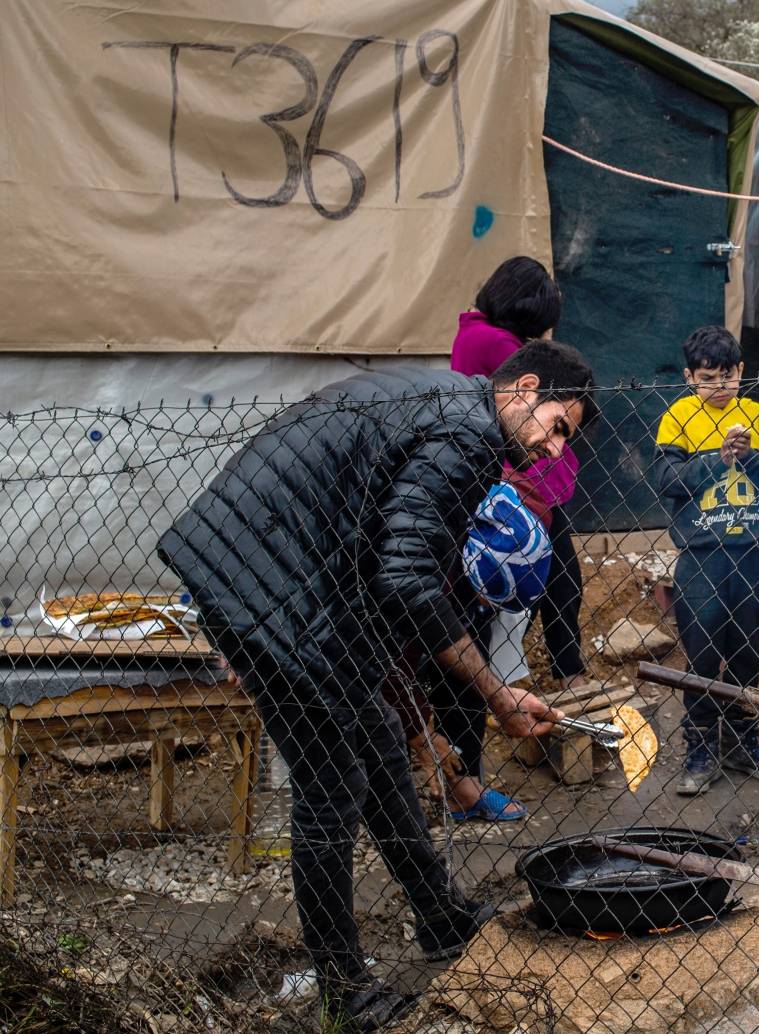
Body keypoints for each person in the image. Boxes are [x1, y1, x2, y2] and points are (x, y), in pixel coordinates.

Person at [157, 341, 596, 1032]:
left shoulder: (454, 404)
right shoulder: (469, 435)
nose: (552, 449)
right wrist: (494, 691)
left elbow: (394, 556)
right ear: (526, 388)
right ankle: (344, 987)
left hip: (293, 578)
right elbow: (408, 574)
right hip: (272, 581)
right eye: (557, 426)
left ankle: (441, 916)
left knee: (381, 738)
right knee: (331, 784)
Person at [652, 325, 759, 796]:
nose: (719, 387)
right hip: (702, 557)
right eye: (708, 378)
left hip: (753, 554)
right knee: (703, 655)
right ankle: (700, 746)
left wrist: (749, 458)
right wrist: (718, 458)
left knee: (749, 652)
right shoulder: (678, 417)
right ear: (690, 376)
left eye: (727, 377)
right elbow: (667, 478)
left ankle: (745, 741)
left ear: (741, 372)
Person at [452, 256, 586, 692]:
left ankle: (521, 674)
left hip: (504, 481)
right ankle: (551, 675)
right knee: (548, 581)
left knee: (530, 586)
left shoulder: (470, 332)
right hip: (524, 486)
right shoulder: (505, 349)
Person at [385, 483, 553, 823]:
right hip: (359, 633)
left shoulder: (501, 519)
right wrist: (423, 737)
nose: (491, 610)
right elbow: (387, 666)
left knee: (468, 661)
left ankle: (463, 789)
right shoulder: (420, 572)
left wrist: (499, 695)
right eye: (490, 600)